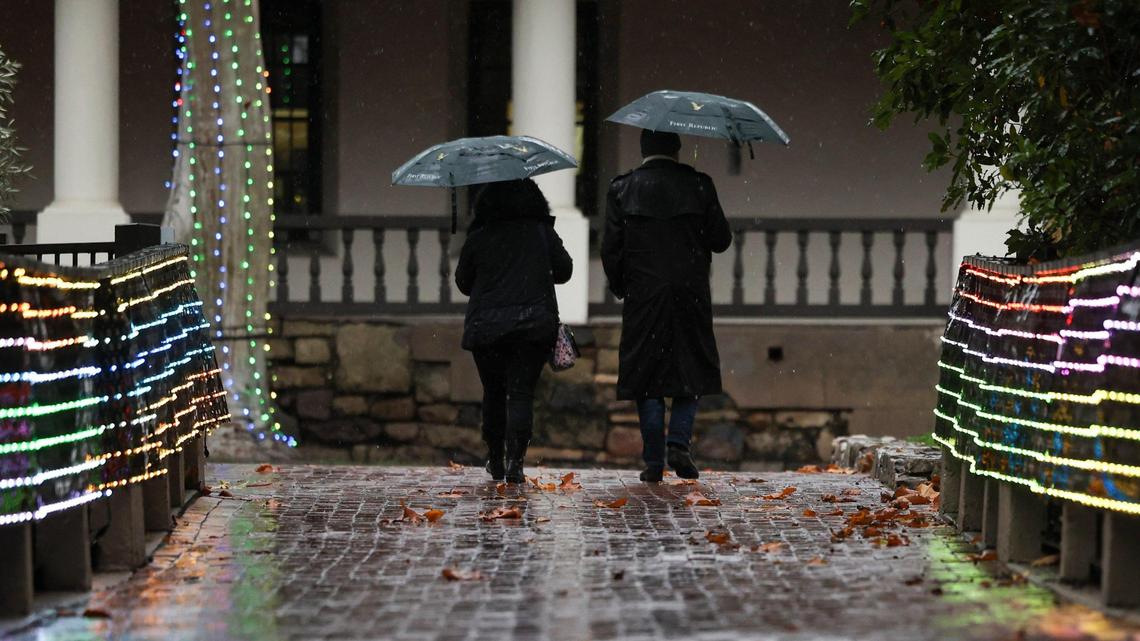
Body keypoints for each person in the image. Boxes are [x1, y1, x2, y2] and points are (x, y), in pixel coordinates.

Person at [601, 129, 732, 483]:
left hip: (644, 294)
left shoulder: (622, 188)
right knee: (692, 366)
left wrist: (620, 285)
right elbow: (721, 240)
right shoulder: (700, 185)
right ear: (676, 150)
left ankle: (654, 461)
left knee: (646, 377)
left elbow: (611, 247)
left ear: (643, 149)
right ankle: (678, 442)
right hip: (690, 291)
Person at [456, 178, 572, 483]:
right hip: (533, 326)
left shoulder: (480, 234)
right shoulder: (540, 232)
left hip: (487, 328)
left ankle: (495, 458)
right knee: (521, 393)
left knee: (494, 393)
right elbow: (565, 271)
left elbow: (463, 282)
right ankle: (516, 464)